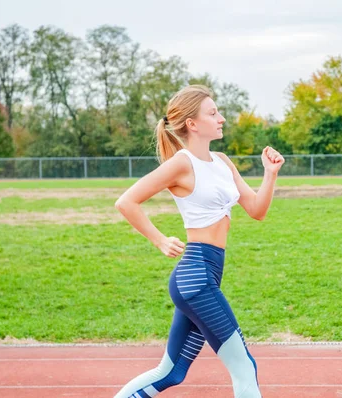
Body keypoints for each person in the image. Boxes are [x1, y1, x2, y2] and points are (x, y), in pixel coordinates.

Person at [113, 84, 285, 398]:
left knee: (170, 372)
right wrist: (160, 240)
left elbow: (257, 210)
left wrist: (270, 174)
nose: (221, 118)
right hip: (196, 277)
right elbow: (126, 202)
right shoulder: (182, 163)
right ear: (192, 123)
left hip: (205, 276)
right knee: (244, 368)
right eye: (213, 112)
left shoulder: (222, 161)